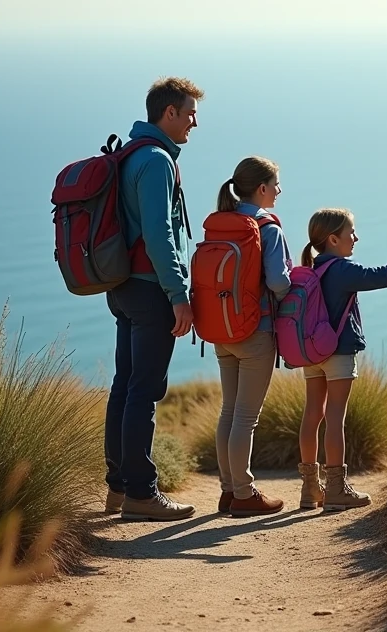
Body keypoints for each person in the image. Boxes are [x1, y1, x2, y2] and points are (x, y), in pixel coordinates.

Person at [296, 208, 387, 511]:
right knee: (335, 417)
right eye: (351, 232)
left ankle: (310, 488)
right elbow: (380, 276)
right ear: (333, 239)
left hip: (311, 352)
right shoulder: (341, 270)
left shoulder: (311, 270)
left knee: (313, 414)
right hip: (337, 352)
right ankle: (336, 488)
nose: (356, 237)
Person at [104, 77, 202, 521]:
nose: (194, 123)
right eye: (190, 114)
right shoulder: (157, 161)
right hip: (149, 290)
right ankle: (142, 494)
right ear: (169, 114)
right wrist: (179, 295)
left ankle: (119, 489)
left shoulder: (129, 155)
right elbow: (161, 236)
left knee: (125, 386)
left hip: (123, 287)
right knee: (144, 390)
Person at [209, 157, 292, 517]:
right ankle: (244, 493)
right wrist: (291, 282)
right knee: (246, 417)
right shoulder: (267, 228)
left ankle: (228, 491)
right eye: (275, 184)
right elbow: (277, 282)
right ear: (261, 189)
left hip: (220, 330)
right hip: (254, 331)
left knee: (229, 411)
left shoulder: (222, 224)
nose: (278, 190)